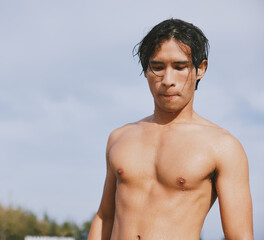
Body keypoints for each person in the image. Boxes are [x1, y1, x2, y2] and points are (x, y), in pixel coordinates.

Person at [87, 19, 253, 240]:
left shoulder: (222, 146)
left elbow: (240, 236)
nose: (168, 80)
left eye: (179, 67)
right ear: (146, 71)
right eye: (157, 67)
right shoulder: (120, 137)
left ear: (200, 69)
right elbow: (105, 217)